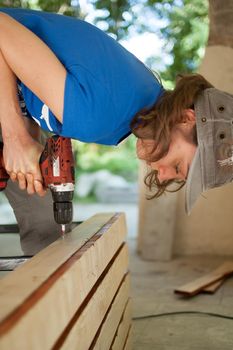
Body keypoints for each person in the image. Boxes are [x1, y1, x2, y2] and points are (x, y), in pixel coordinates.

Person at [0, 8, 231, 254]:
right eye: (177, 167)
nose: (163, 177)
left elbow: (31, 82)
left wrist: (27, 131)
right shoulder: (99, 113)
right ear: (186, 119)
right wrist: (16, 138)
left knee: (43, 220)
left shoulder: (138, 100)